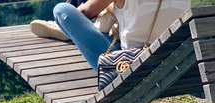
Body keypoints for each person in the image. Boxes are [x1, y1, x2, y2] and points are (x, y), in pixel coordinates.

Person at [30, 0, 190, 71]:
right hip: (178, 62)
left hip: (128, 67)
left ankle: (66, 31)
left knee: (62, 10)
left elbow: (84, 12)